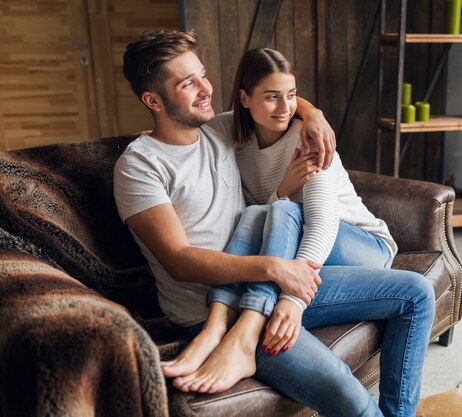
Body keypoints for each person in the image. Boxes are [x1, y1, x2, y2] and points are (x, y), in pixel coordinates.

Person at [114, 28, 435, 417]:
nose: (205, 89)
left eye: (203, 75)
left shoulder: (217, 130)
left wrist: (313, 114)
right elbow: (179, 260)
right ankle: (229, 335)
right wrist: (275, 268)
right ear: (153, 100)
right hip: (209, 306)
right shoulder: (140, 164)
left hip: (264, 284)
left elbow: (274, 99)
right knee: (350, 400)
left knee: (416, 293)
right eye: (187, 84)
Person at [163, 47, 400, 380]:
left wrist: (293, 298)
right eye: (272, 97)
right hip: (303, 245)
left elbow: (322, 223)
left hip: (361, 245)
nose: (285, 107)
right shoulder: (227, 133)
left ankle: (245, 326)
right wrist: (282, 190)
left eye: (292, 96)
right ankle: (217, 326)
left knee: (282, 211)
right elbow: (173, 132)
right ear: (244, 99)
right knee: (262, 213)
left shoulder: (307, 139)